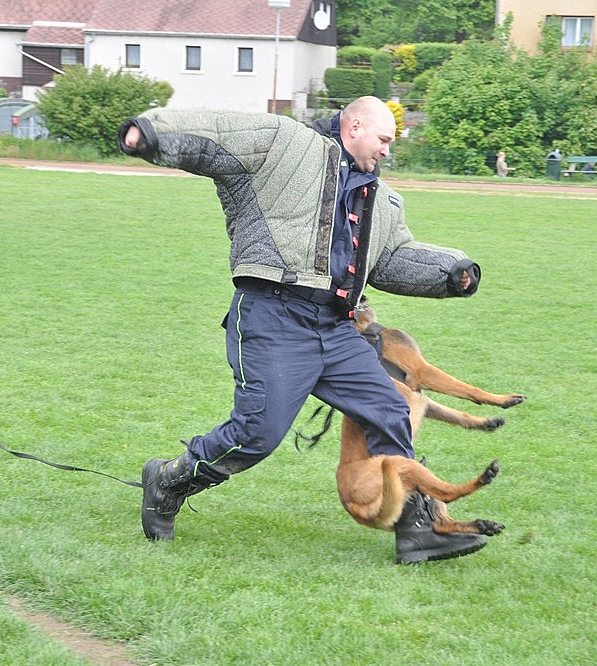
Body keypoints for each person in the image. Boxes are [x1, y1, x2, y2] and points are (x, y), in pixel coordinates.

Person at [119, 96, 487, 564]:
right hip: (273, 317)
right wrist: (152, 133)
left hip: (337, 327)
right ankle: (169, 480)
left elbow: (391, 258)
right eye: (383, 139)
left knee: (391, 410)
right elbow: (221, 133)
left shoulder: (381, 198)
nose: (387, 150)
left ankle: (419, 528)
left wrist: (450, 274)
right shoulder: (286, 145)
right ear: (354, 127)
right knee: (257, 433)